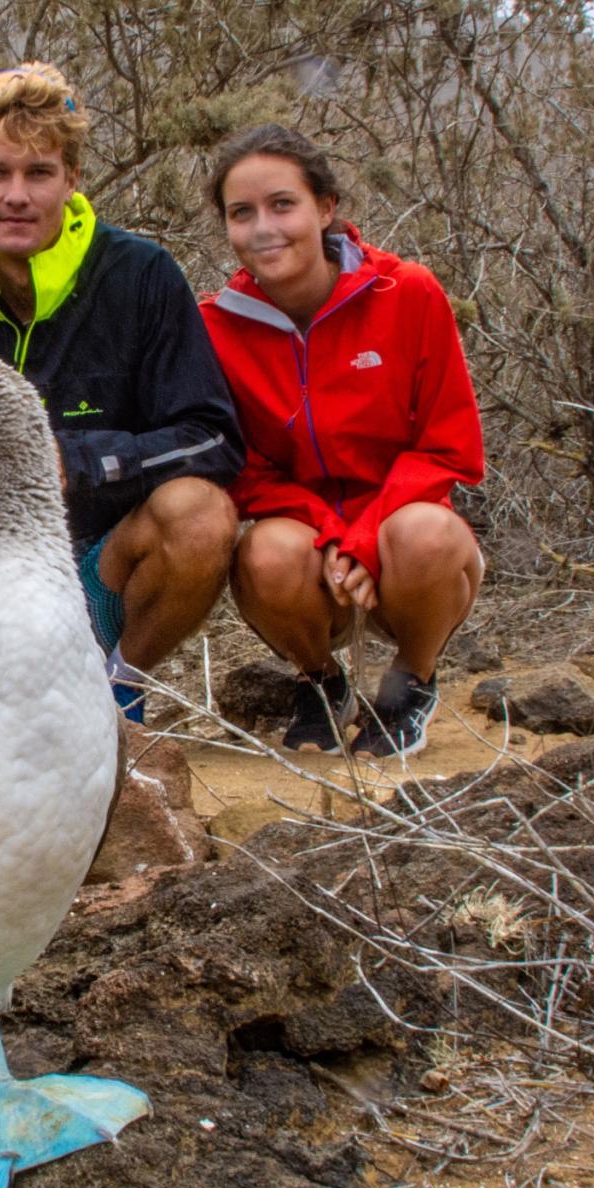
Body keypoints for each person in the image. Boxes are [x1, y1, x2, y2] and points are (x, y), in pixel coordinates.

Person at [0, 63, 243, 718]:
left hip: (102, 557)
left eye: (39, 173)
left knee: (201, 515)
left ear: (73, 179)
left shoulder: (141, 275)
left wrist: (78, 459)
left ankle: (114, 690)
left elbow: (211, 437)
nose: (16, 195)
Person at [199, 124, 485, 756]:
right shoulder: (214, 326)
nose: (264, 227)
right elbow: (239, 466)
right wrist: (329, 531)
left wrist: (363, 536)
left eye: (283, 204)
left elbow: (450, 447)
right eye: (241, 213)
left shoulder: (406, 291)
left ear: (325, 208)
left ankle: (412, 679)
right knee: (264, 555)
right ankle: (322, 682)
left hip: (407, 544)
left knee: (424, 533)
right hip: (308, 543)